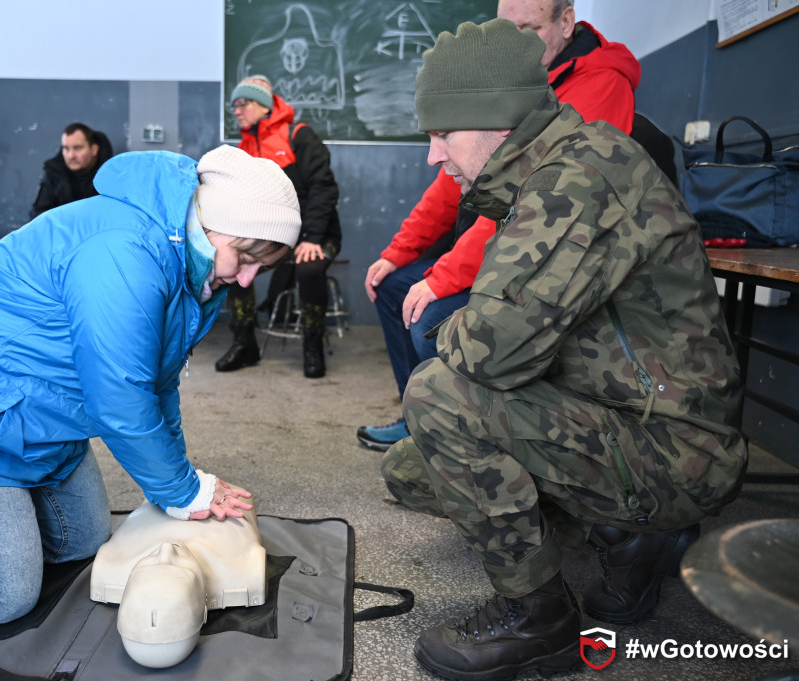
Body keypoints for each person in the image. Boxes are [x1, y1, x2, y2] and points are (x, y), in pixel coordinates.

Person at [0, 145, 302, 626]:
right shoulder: (126, 253)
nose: (246, 280)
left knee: (80, 543)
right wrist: (180, 489)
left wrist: (180, 479)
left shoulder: (193, 263)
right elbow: (121, 397)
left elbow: (157, 384)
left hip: (27, 409)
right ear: (214, 223)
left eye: (262, 266)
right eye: (246, 255)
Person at [385, 19, 747, 681]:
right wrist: (476, 323)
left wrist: (456, 330)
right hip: (616, 408)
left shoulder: (573, 181)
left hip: (674, 447)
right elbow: (502, 331)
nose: (434, 156)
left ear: (496, 123)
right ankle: (631, 534)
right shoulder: (550, 168)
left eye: (443, 134)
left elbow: (489, 350)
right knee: (412, 470)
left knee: (437, 396)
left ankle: (539, 618)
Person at [357, 0, 640, 450]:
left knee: (433, 318)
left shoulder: (600, 84)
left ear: (566, 22)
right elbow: (448, 186)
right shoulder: (506, 80)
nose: (516, 42)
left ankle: (472, 440)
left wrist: (443, 278)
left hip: (546, 261)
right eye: (506, 29)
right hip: (492, 250)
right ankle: (421, 420)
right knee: (393, 288)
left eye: (528, 28)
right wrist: (400, 252)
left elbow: (541, 210)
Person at [215, 75, 342, 379]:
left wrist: (311, 238)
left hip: (317, 234)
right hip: (271, 239)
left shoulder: (299, 135)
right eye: (234, 106)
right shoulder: (243, 149)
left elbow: (323, 189)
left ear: (263, 105)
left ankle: (312, 347)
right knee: (230, 266)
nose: (237, 111)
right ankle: (244, 343)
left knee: (310, 269)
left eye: (243, 103)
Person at [30, 122, 115, 219]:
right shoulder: (54, 174)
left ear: (94, 150)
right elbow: (38, 216)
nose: (71, 155)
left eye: (77, 148)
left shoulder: (111, 175)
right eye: (66, 148)